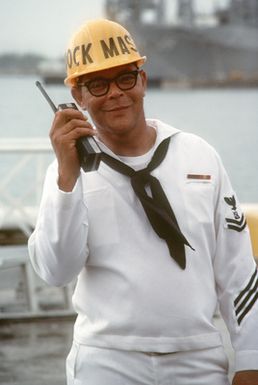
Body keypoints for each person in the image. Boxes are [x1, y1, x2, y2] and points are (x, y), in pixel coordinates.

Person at [28, 19, 258, 385]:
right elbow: (56, 271)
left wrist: (251, 359)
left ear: (144, 81)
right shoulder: (67, 173)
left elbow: (239, 270)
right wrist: (67, 180)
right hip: (106, 360)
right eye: (98, 84)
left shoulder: (199, 156)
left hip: (197, 359)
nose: (115, 93)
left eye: (125, 78)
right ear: (78, 96)